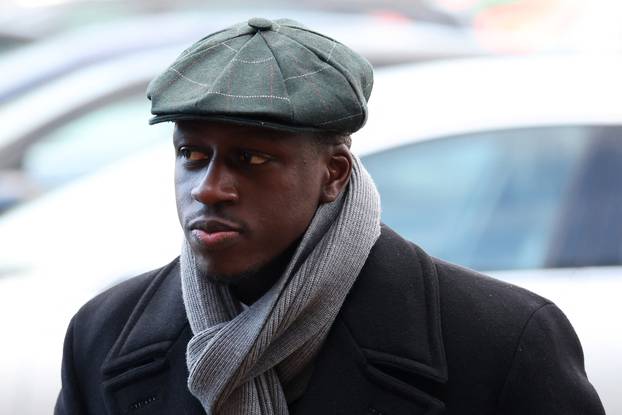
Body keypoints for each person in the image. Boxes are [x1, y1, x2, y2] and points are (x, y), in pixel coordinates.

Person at [55, 18, 605, 415]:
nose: (211, 188)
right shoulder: (103, 336)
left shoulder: (501, 340)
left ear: (334, 173)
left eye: (252, 159)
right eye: (191, 156)